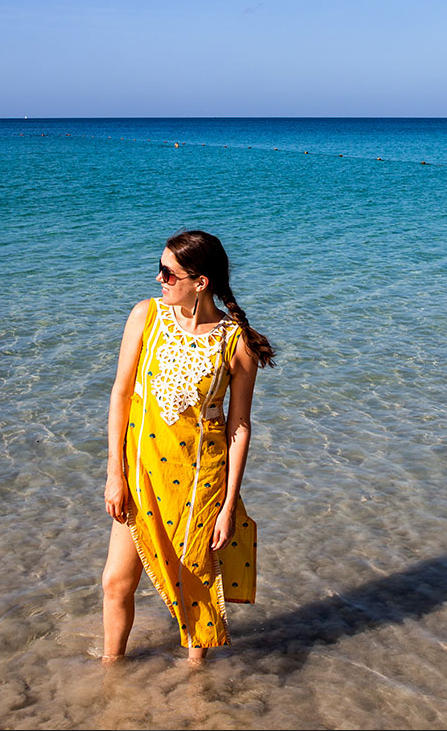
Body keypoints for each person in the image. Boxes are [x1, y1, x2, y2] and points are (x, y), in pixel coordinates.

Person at [101, 230, 275, 663]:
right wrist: (114, 475)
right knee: (116, 582)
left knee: (195, 586)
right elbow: (121, 395)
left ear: (200, 282)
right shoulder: (145, 316)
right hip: (140, 473)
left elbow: (239, 427)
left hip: (200, 482)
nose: (159, 278)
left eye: (168, 272)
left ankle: (196, 688)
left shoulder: (237, 344)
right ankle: (109, 671)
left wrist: (227, 505)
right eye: (159, 268)